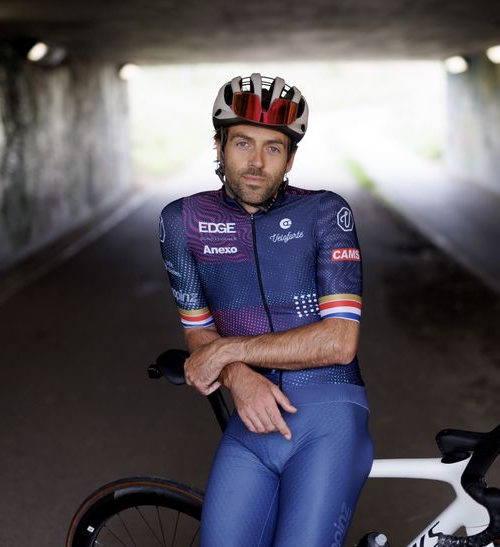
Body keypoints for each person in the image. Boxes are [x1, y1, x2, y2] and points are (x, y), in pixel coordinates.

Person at [159, 73, 373, 547]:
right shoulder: (183, 221)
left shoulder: (325, 214)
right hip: (250, 418)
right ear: (219, 146)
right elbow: (199, 334)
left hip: (328, 415)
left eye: (273, 148)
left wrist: (227, 352)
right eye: (242, 143)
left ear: (290, 158)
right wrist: (239, 377)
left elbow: (338, 341)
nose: (256, 162)